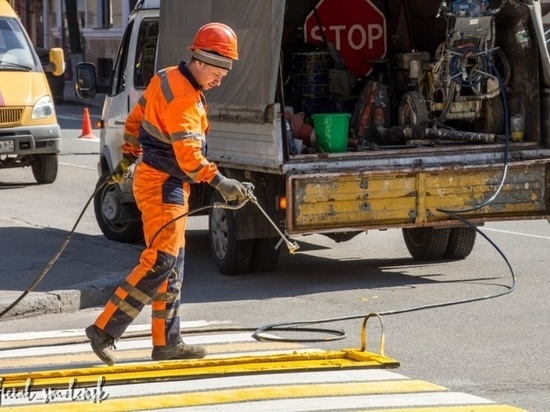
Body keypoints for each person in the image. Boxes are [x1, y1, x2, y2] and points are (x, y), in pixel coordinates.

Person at [85, 22, 248, 366]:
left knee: (171, 267)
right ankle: (104, 330)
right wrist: (221, 182)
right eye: (219, 72)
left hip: (160, 182)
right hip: (163, 185)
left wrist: (128, 154)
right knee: (159, 262)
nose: (220, 80)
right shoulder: (185, 100)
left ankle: (167, 342)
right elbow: (190, 160)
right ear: (202, 61)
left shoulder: (165, 77)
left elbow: (136, 118)